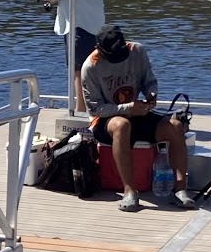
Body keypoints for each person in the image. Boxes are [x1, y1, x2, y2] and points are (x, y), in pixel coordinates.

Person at [81, 25, 197, 213]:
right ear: (99, 50)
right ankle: (129, 191)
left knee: (175, 126)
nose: (119, 59)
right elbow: (95, 108)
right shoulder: (90, 66)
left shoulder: (137, 51)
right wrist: (128, 109)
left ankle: (180, 189)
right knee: (122, 125)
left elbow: (149, 81)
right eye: (113, 57)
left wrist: (151, 94)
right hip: (106, 120)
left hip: (137, 112)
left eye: (122, 54)